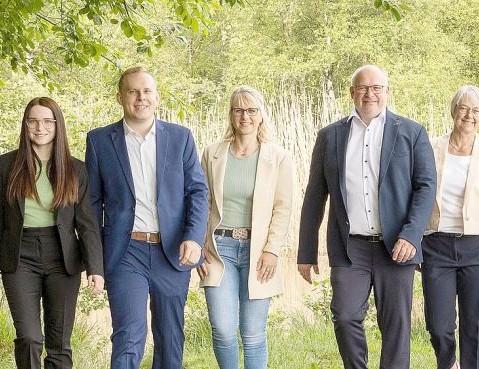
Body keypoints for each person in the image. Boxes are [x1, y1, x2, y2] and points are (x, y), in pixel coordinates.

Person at [297, 64, 436, 369]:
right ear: (352, 93)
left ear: (387, 92)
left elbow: (426, 188)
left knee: (396, 326)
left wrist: (411, 235)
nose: (369, 94)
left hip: (397, 247)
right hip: (350, 248)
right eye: (363, 88)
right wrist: (306, 252)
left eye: (377, 88)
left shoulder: (411, 133)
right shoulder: (329, 136)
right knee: (345, 317)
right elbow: (314, 195)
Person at [85, 67, 209, 369]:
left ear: (157, 97)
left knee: (169, 338)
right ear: (120, 97)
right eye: (133, 91)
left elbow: (198, 192)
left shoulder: (181, 138)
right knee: (128, 335)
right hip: (125, 252)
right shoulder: (99, 141)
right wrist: (94, 262)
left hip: (172, 252)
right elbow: (90, 205)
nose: (141, 98)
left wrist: (193, 237)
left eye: (147, 91)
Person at [0, 97, 104, 369]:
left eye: (48, 121)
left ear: (58, 126)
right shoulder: (6, 166)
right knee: (30, 338)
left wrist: (96, 268)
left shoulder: (76, 169)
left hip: (63, 258)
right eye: (33, 121)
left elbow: (87, 223)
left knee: (59, 344)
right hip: (19, 258)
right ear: (25, 125)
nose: (40, 127)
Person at [197, 86, 294, 369]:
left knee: (252, 335)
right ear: (230, 115)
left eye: (251, 110)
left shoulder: (278, 157)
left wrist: (272, 250)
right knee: (223, 330)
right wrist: (199, 244)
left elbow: (283, 208)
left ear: (261, 115)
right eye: (238, 110)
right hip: (219, 251)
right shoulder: (212, 153)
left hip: (258, 252)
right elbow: (201, 202)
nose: (245, 116)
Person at [422, 85, 479, 369]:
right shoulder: (431, 147)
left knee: (475, 327)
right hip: (436, 244)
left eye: (476, 111)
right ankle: (448, 363)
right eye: (464, 108)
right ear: (453, 111)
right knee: (439, 325)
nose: (469, 115)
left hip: (478, 247)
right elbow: (417, 195)